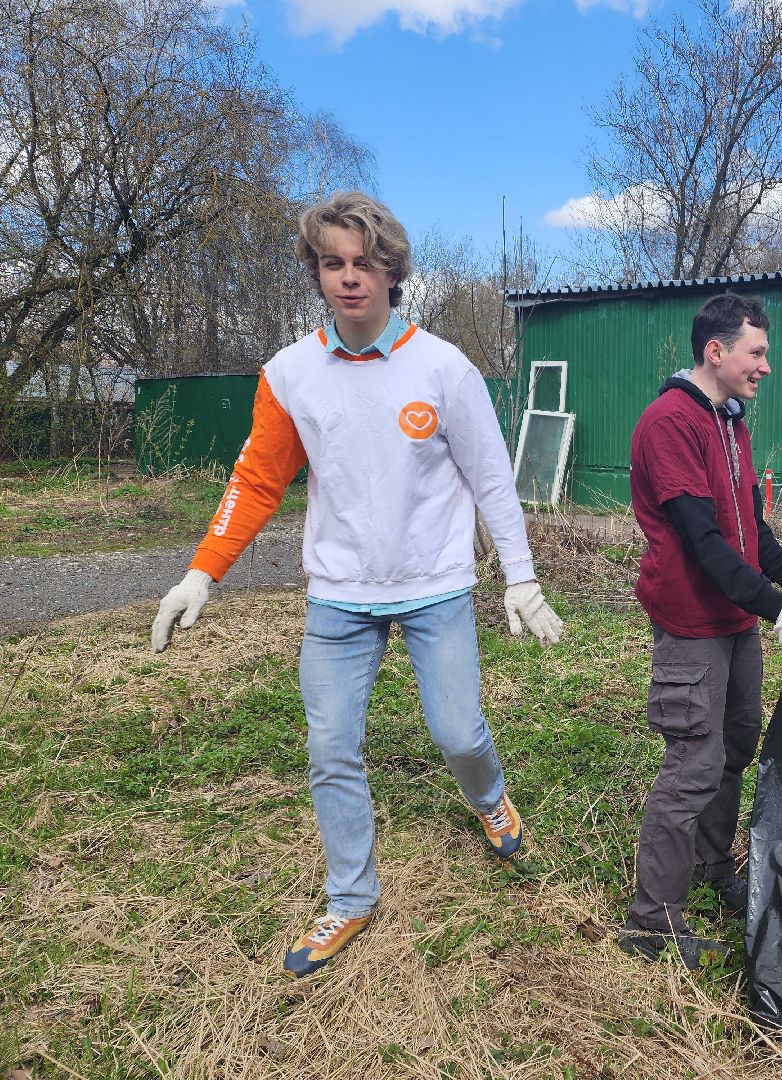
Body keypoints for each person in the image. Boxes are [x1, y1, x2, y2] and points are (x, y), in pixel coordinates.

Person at [150, 191, 564, 978]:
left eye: (365, 264)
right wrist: (202, 572)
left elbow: (492, 482)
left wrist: (522, 578)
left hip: (435, 585)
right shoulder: (290, 374)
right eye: (333, 263)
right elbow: (257, 481)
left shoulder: (444, 367)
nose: (349, 279)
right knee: (331, 747)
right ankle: (351, 897)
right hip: (338, 596)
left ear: (392, 272)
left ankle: (489, 800)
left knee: (457, 733)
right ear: (317, 271)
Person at [620, 292, 782, 969]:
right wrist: (779, 612)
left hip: (735, 618)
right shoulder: (669, 424)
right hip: (692, 621)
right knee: (692, 763)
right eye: (757, 352)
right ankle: (652, 921)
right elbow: (705, 544)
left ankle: (713, 867)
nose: (765, 366)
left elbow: (751, 533)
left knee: (735, 746)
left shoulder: (729, 421)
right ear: (716, 352)